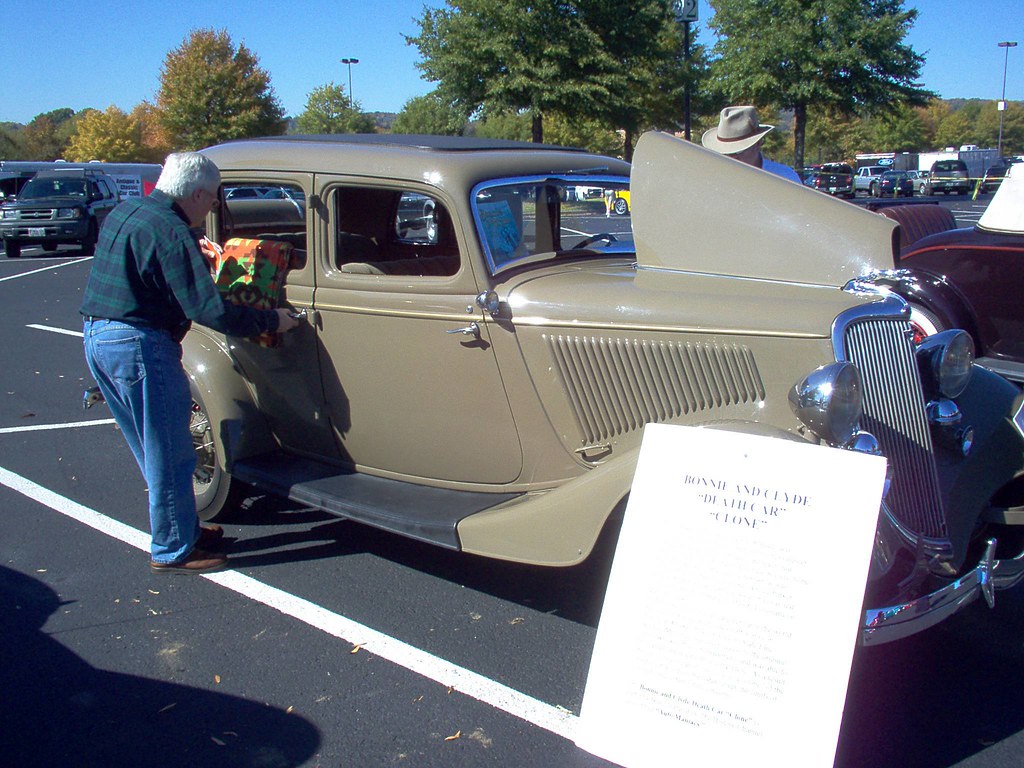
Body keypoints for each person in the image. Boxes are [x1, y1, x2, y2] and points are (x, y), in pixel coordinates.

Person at [81, 152, 299, 574]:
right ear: (196, 194)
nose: (213, 206)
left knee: (151, 447)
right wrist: (273, 320)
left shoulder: (127, 212)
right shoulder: (172, 231)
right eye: (213, 198)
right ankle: (172, 548)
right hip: (140, 343)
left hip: (98, 337)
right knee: (171, 451)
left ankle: (182, 528)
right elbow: (208, 309)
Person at [701, 105, 802, 183]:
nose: (731, 157)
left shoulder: (785, 177)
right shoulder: (711, 180)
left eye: (738, 151)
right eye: (724, 153)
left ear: (758, 144)